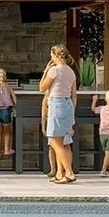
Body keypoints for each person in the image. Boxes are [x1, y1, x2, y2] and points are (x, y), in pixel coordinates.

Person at [39, 44, 77, 184]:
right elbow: (74, 95)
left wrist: (45, 72)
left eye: (51, 56)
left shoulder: (54, 70)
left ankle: (69, 172)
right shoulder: (71, 72)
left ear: (55, 56)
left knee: (55, 142)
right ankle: (60, 173)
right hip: (68, 105)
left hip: (56, 104)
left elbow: (42, 88)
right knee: (64, 142)